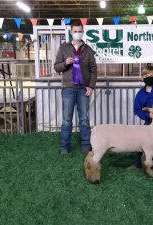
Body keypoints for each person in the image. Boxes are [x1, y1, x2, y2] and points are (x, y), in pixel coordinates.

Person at [54, 20, 97, 154]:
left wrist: (91, 86)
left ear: (83, 32)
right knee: (67, 119)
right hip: (68, 88)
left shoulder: (88, 50)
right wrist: (65, 63)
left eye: (80, 31)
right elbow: (56, 67)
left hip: (83, 89)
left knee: (84, 119)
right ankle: (64, 147)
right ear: (71, 32)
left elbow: (93, 69)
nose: (78, 33)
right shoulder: (63, 48)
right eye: (75, 31)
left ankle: (86, 145)